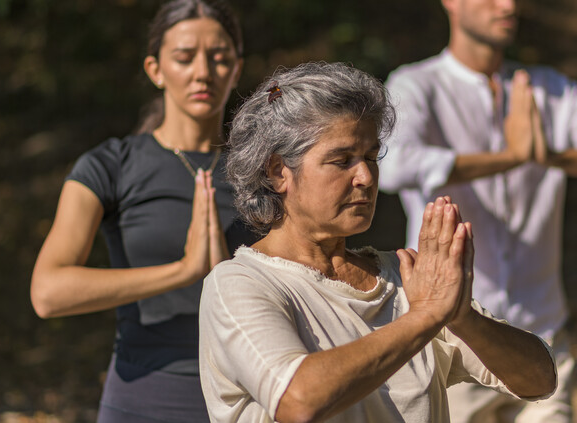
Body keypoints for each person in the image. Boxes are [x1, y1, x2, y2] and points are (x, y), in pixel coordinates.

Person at [378, 0, 577, 423]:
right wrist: (509, 156)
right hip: (451, 342)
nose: (509, 4)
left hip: (542, 340)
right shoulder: (415, 85)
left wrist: (550, 155)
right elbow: (392, 164)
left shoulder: (549, 90)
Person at [198, 62, 557, 423]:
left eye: (371, 157)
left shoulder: (405, 280)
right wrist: (425, 318)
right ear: (278, 172)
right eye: (342, 161)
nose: (366, 177)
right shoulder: (238, 285)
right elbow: (298, 400)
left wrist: (461, 317)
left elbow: (539, 381)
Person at [29, 0, 255, 422]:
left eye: (220, 57)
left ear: (237, 68)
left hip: (247, 398)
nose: (203, 72)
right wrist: (183, 272)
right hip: (142, 396)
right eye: (185, 57)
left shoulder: (264, 172)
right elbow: (47, 293)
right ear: (155, 69)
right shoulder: (108, 165)